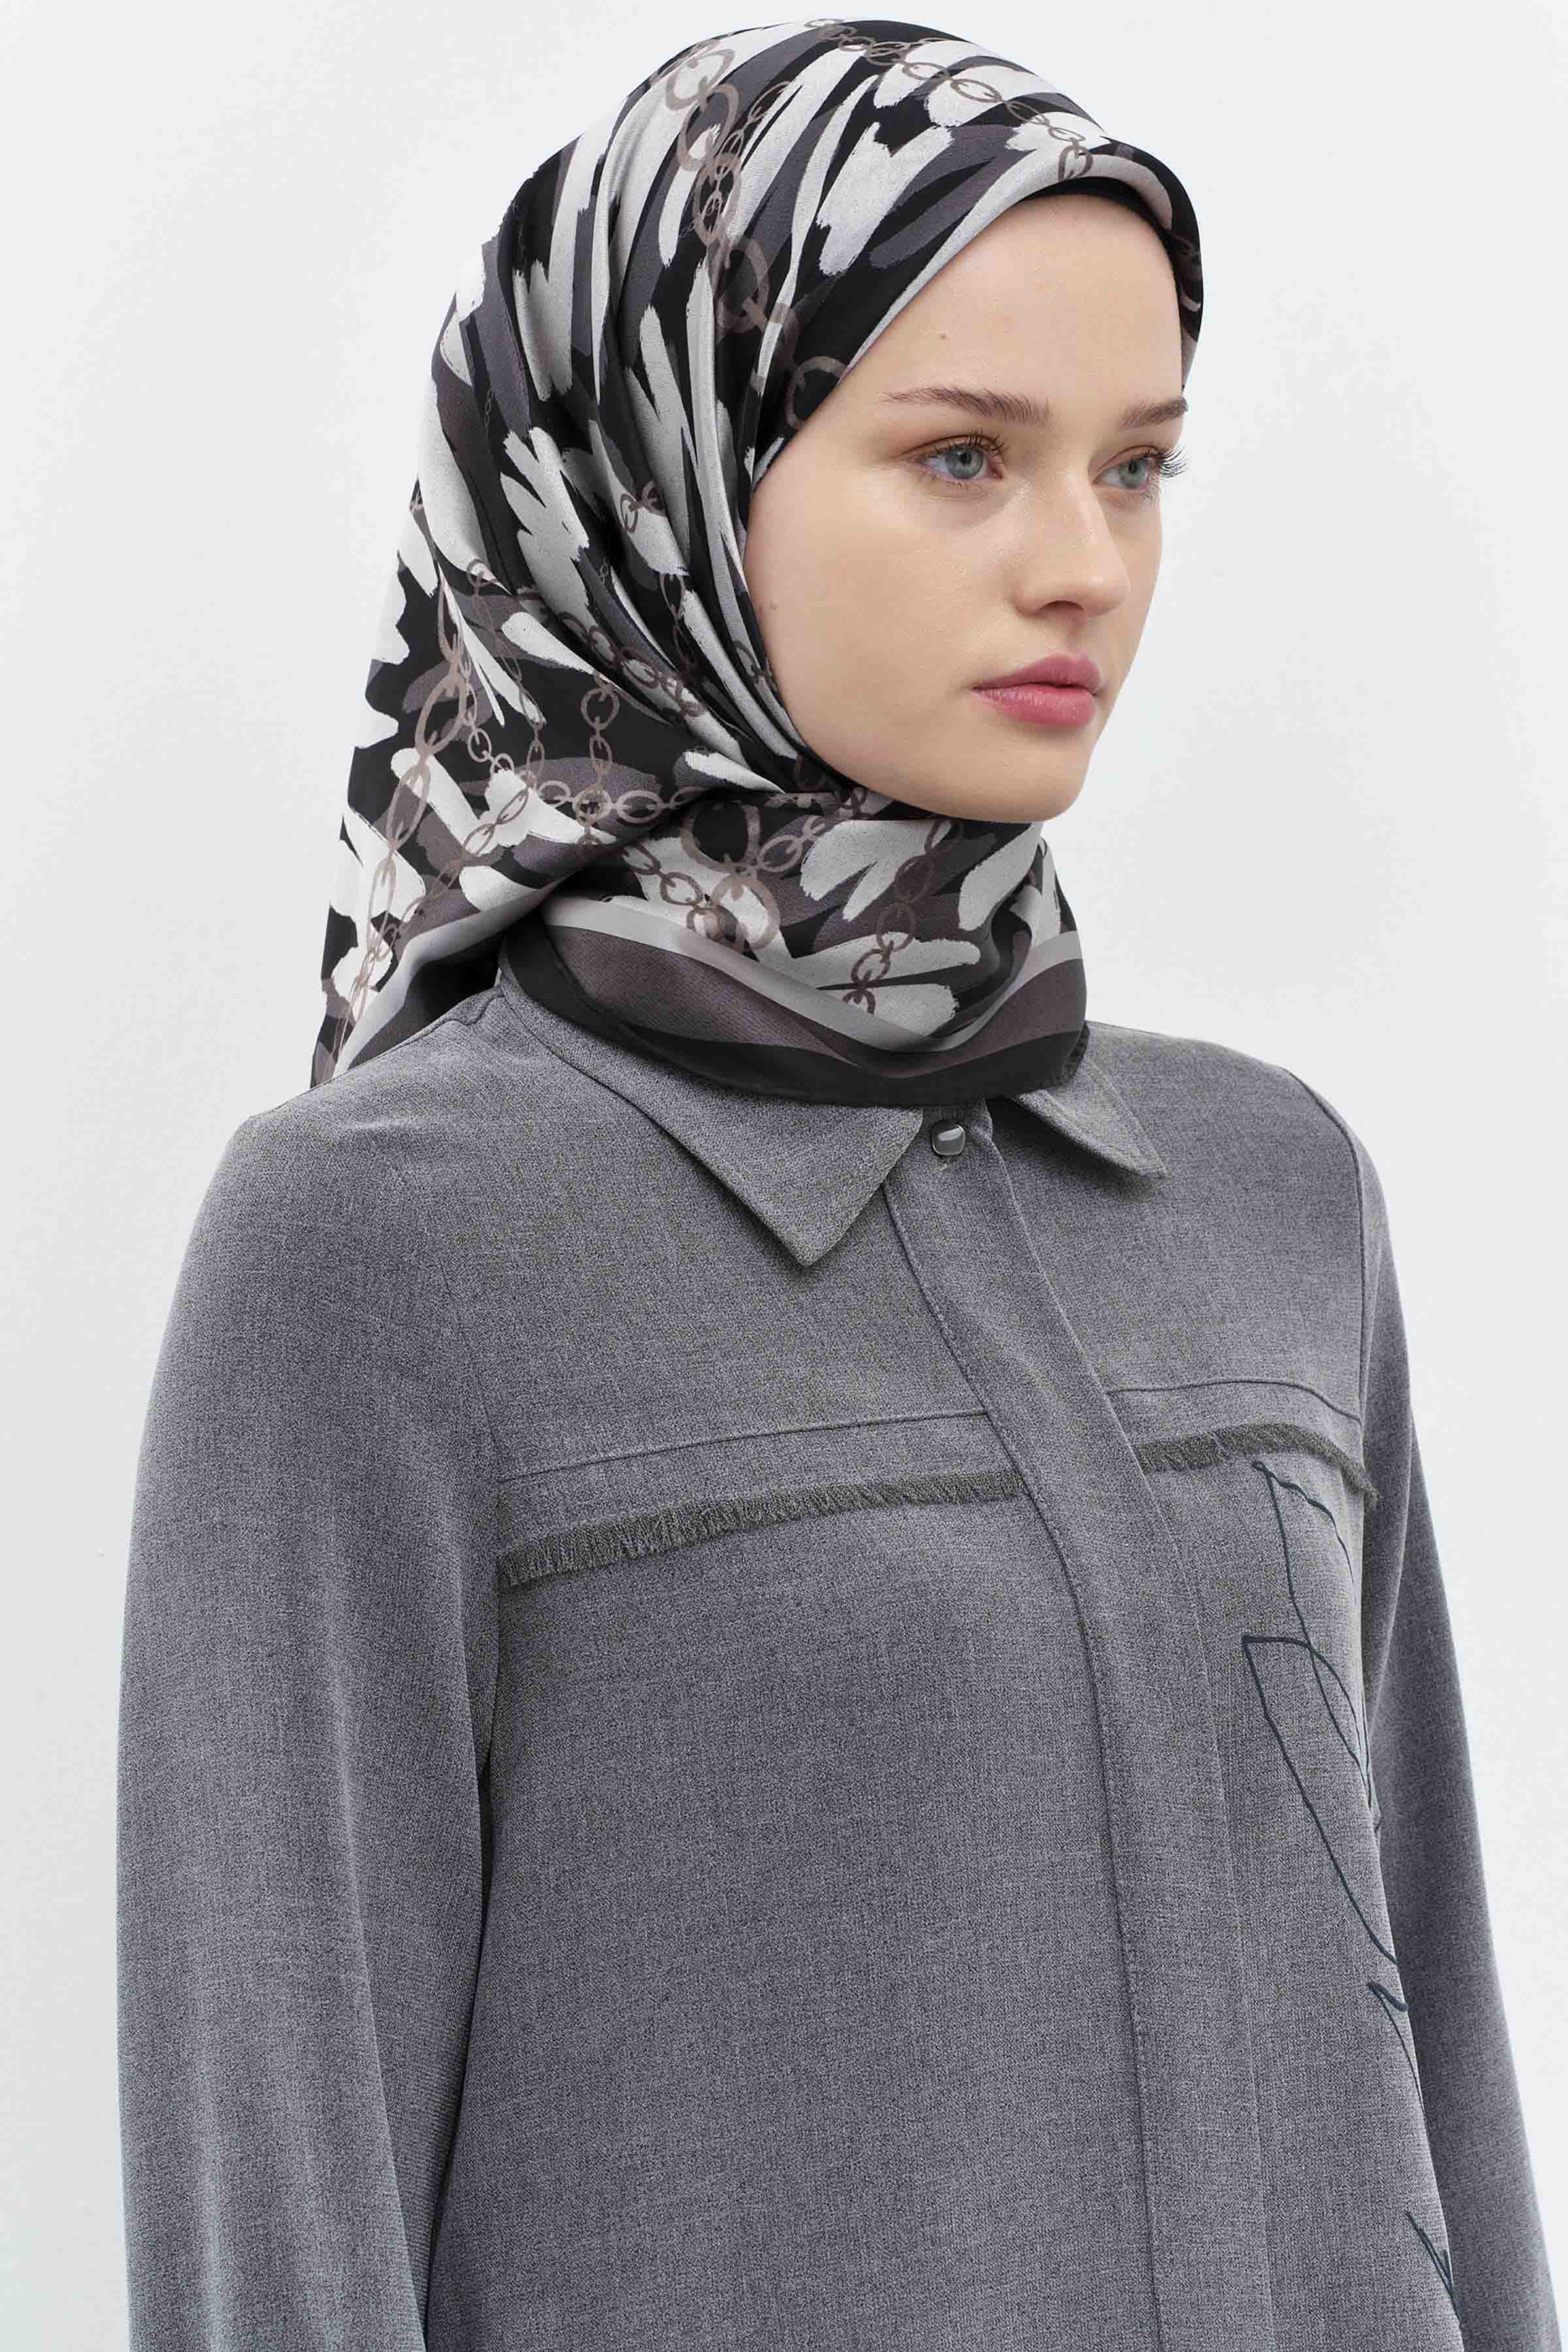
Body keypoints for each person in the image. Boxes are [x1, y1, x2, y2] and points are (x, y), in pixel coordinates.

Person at [116, 18, 1561, 2349]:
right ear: (675, 472)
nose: (1083, 566)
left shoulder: (1274, 1195)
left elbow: (1451, 2094)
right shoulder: (380, 1247)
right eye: (963, 456)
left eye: (1139, 465)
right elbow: (274, 2213)